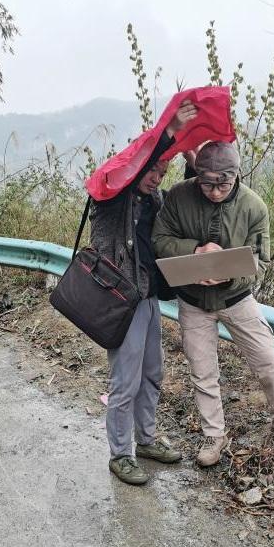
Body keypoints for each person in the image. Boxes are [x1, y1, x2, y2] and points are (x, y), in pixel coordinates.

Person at [152, 141, 274, 467]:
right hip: (193, 302)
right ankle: (214, 436)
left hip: (237, 299)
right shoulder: (180, 196)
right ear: (198, 176)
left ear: (236, 175)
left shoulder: (254, 207)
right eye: (207, 184)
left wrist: (228, 276)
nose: (214, 192)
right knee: (202, 372)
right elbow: (159, 239)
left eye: (222, 185)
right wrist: (195, 251)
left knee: (267, 359)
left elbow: (261, 260)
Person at [88, 100, 198, 485]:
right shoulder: (111, 197)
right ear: (138, 164)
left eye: (162, 172)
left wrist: (192, 163)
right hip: (120, 300)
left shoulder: (155, 200)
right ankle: (121, 454)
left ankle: (146, 440)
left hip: (148, 299)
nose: (156, 177)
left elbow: (187, 205)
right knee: (125, 380)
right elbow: (127, 169)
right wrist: (168, 133)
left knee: (152, 373)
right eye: (152, 169)